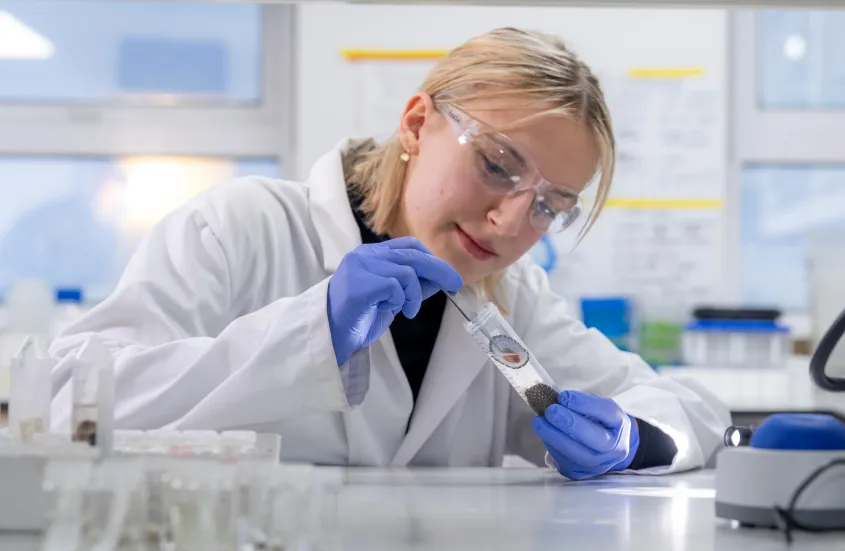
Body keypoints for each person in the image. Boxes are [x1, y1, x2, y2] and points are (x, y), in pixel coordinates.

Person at [49, 28, 730, 479]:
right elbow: (69, 401)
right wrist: (312, 330)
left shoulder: (511, 299)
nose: (510, 219)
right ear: (415, 124)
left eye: (549, 205)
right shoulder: (245, 227)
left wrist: (638, 438)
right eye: (497, 165)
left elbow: (690, 408)